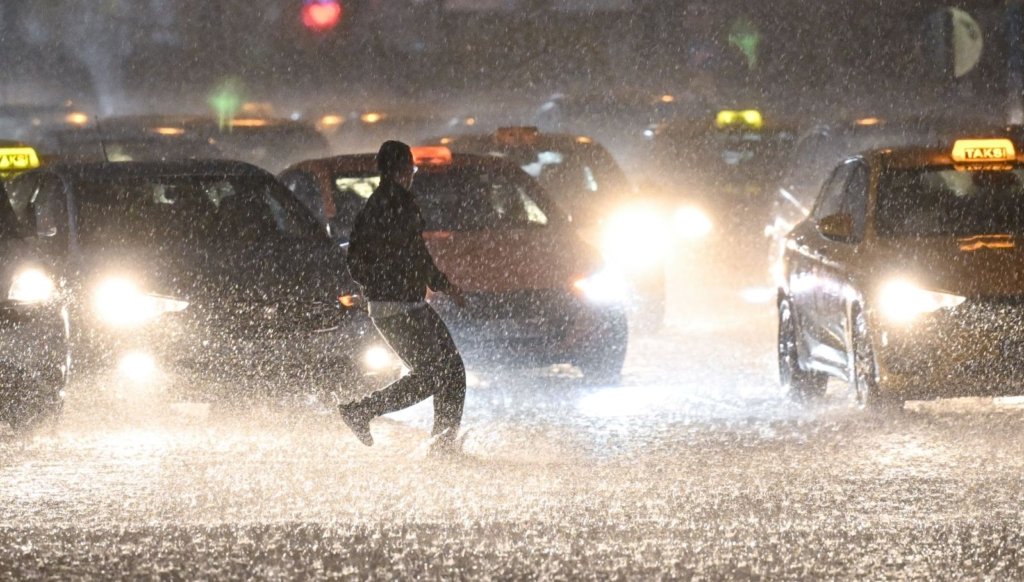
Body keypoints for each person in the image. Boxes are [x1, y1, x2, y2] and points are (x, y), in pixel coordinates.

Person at [340, 140, 467, 452]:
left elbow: (364, 258)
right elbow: (415, 255)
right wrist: (389, 285)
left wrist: (434, 284)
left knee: (451, 371)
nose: (413, 172)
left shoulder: (382, 204)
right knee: (434, 375)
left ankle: (444, 445)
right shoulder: (394, 204)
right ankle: (362, 410)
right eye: (410, 166)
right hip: (397, 307)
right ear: (401, 169)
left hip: (406, 303)